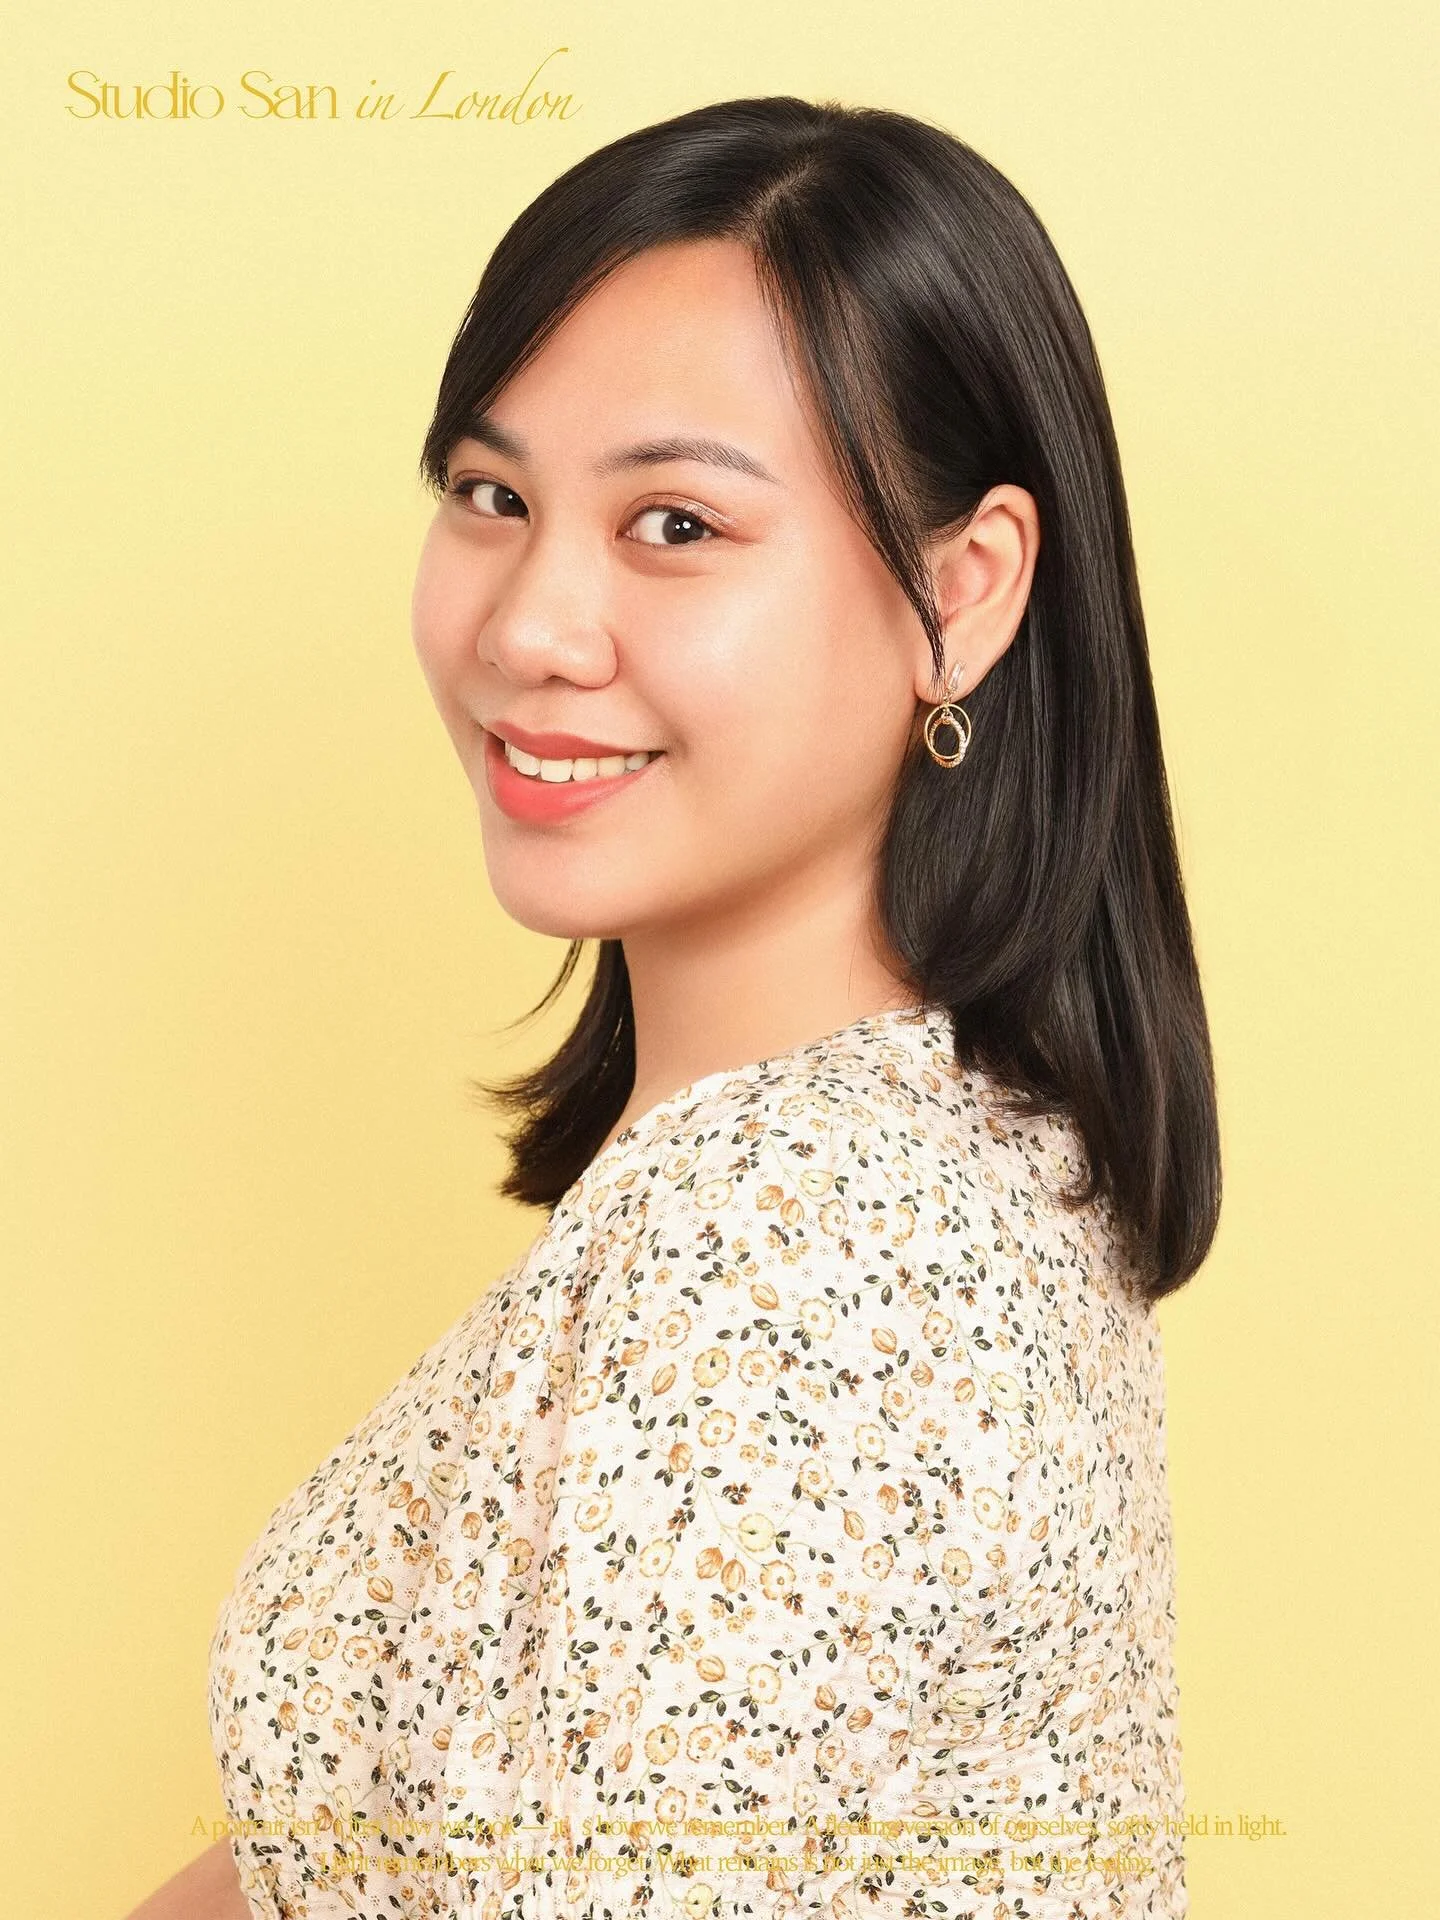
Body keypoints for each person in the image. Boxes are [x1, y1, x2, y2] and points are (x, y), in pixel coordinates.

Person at [140, 94, 1219, 1920]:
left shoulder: (783, 1256)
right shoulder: (927, 1147)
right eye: (491, 497)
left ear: (963, 597)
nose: (533, 624)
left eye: (673, 524)